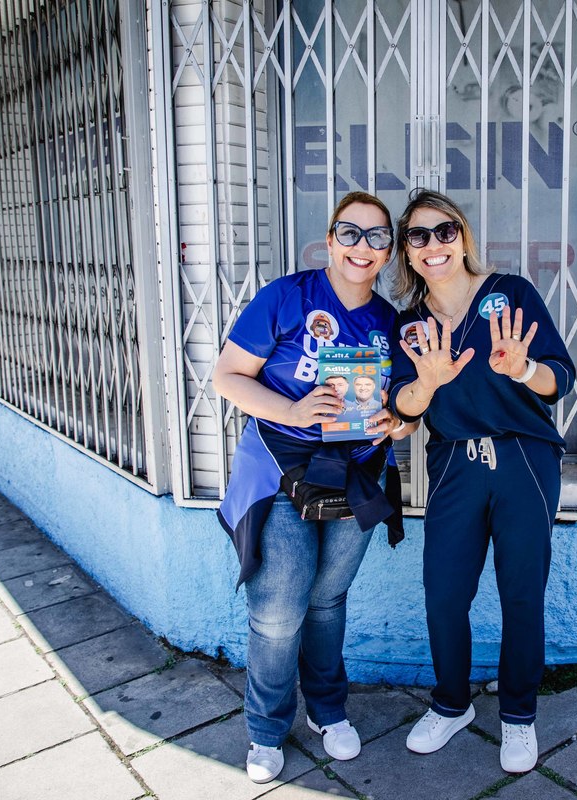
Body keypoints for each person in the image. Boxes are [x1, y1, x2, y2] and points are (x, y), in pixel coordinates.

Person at [212, 191, 414, 784]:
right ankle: (266, 728)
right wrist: (293, 412)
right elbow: (226, 376)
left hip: (357, 475)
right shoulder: (286, 297)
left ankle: (327, 710)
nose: (361, 247)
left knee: (327, 602)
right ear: (329, 240)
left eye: (377, 237)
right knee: (279, 612)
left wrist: (397, 422)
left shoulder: (390, 323)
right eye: (349, 233)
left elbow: (407, 412)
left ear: (388, 252)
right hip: (281, 468)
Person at [387, 189, 575, 774]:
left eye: (444, 231)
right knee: (444, 593)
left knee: (522, 593)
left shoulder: (510, 294)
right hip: (453, 465)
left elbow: (560, 378)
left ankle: (518, 714)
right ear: (407, 252)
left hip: (524, 460)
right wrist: (428, 382)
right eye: (418, 236)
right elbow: (403, 408)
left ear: (462, 235)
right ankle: (451, 703)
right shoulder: (409, 325)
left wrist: (523, 368)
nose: (433, 245)